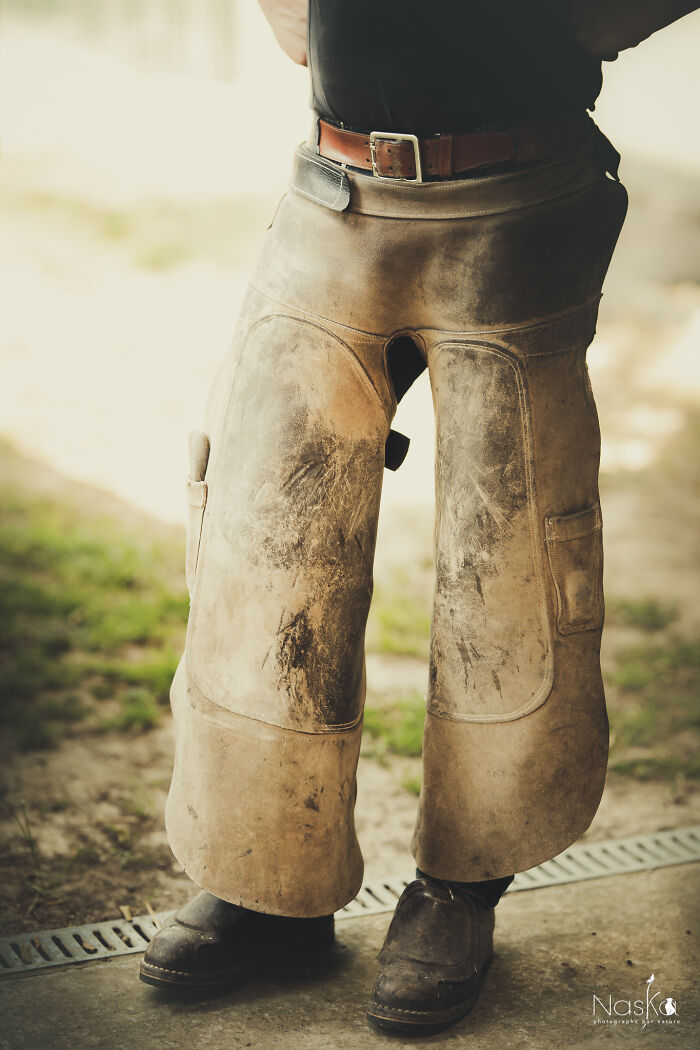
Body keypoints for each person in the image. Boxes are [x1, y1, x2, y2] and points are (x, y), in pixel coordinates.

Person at [139, 0, 698, 1036]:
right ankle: (269, 882)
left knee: (509, 563)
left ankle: (461, 886)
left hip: (518, 199)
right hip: (334, 192)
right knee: (263, 542)